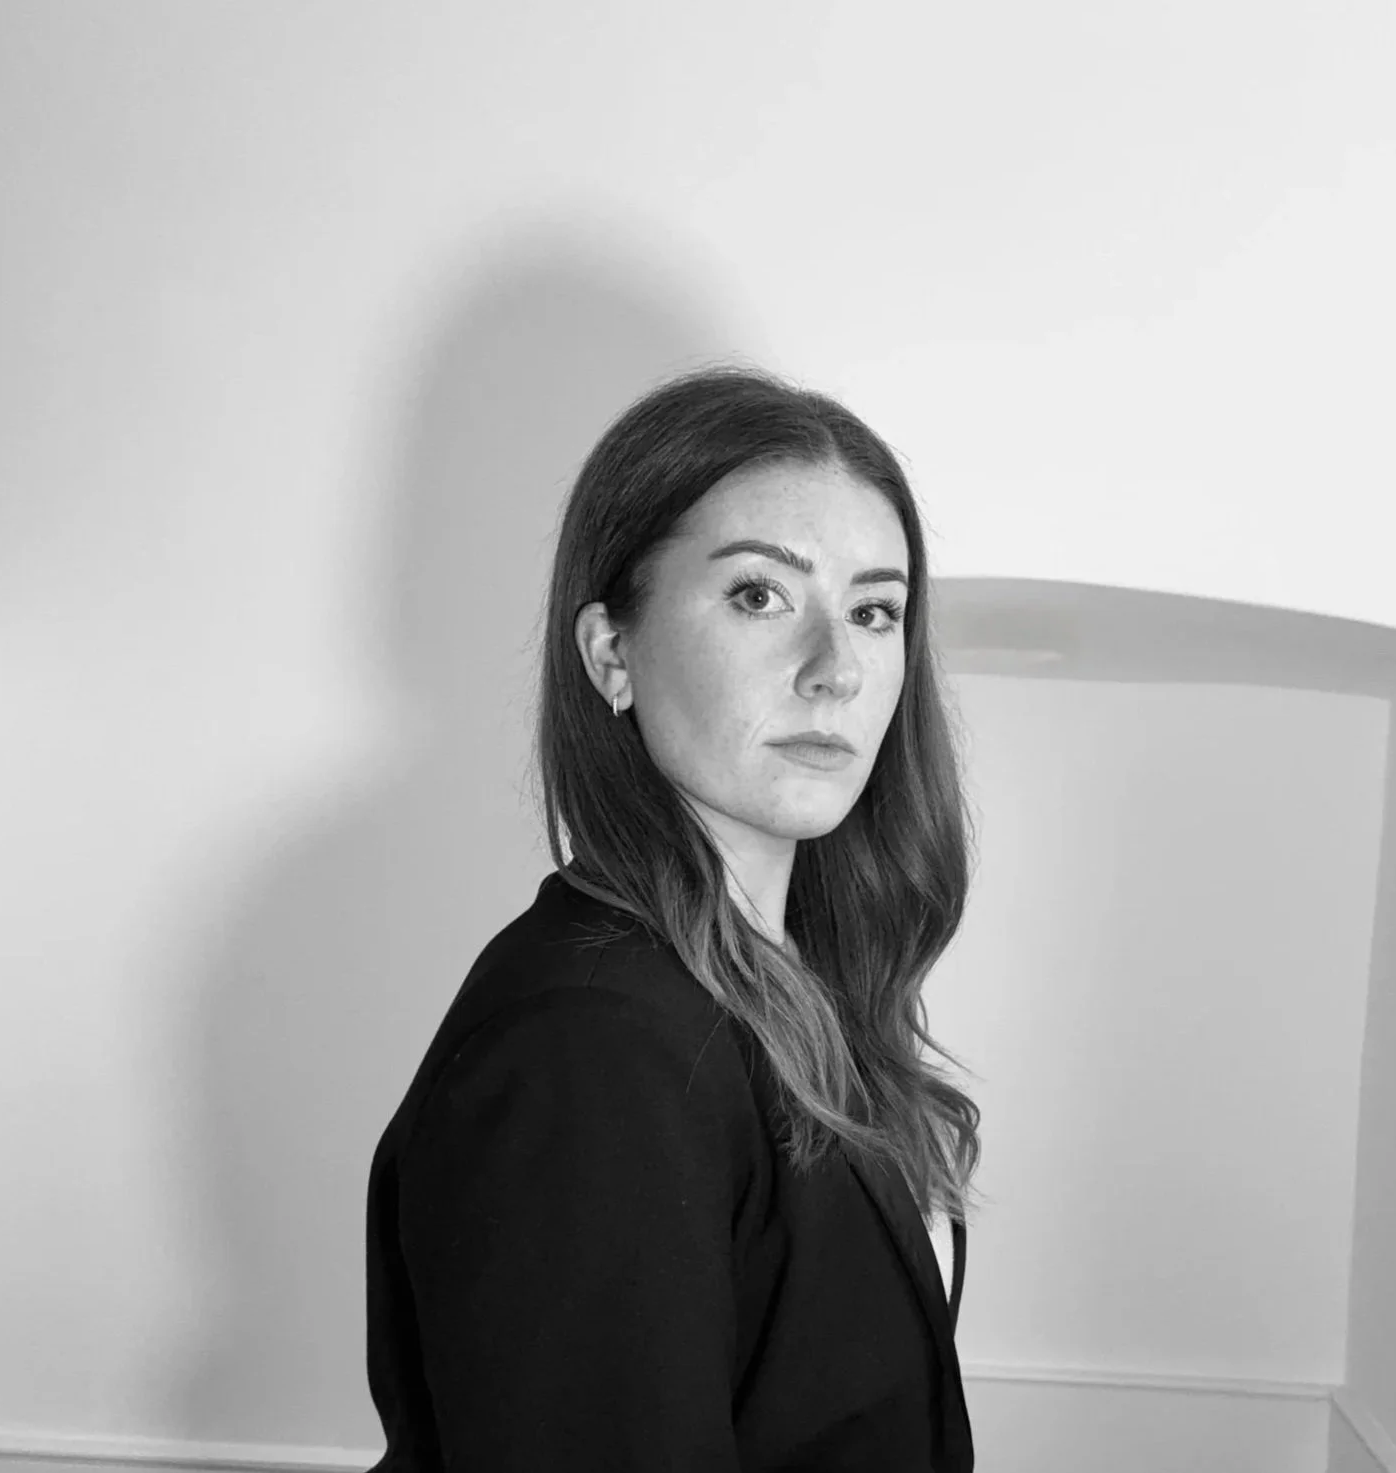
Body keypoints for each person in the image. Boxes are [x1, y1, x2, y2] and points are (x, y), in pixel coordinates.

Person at [362, 364, 986, 1471]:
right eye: (759, 595)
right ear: (611, 653)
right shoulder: (591, 1047)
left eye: (874, 610)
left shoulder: (800, 988)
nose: (834, 669)